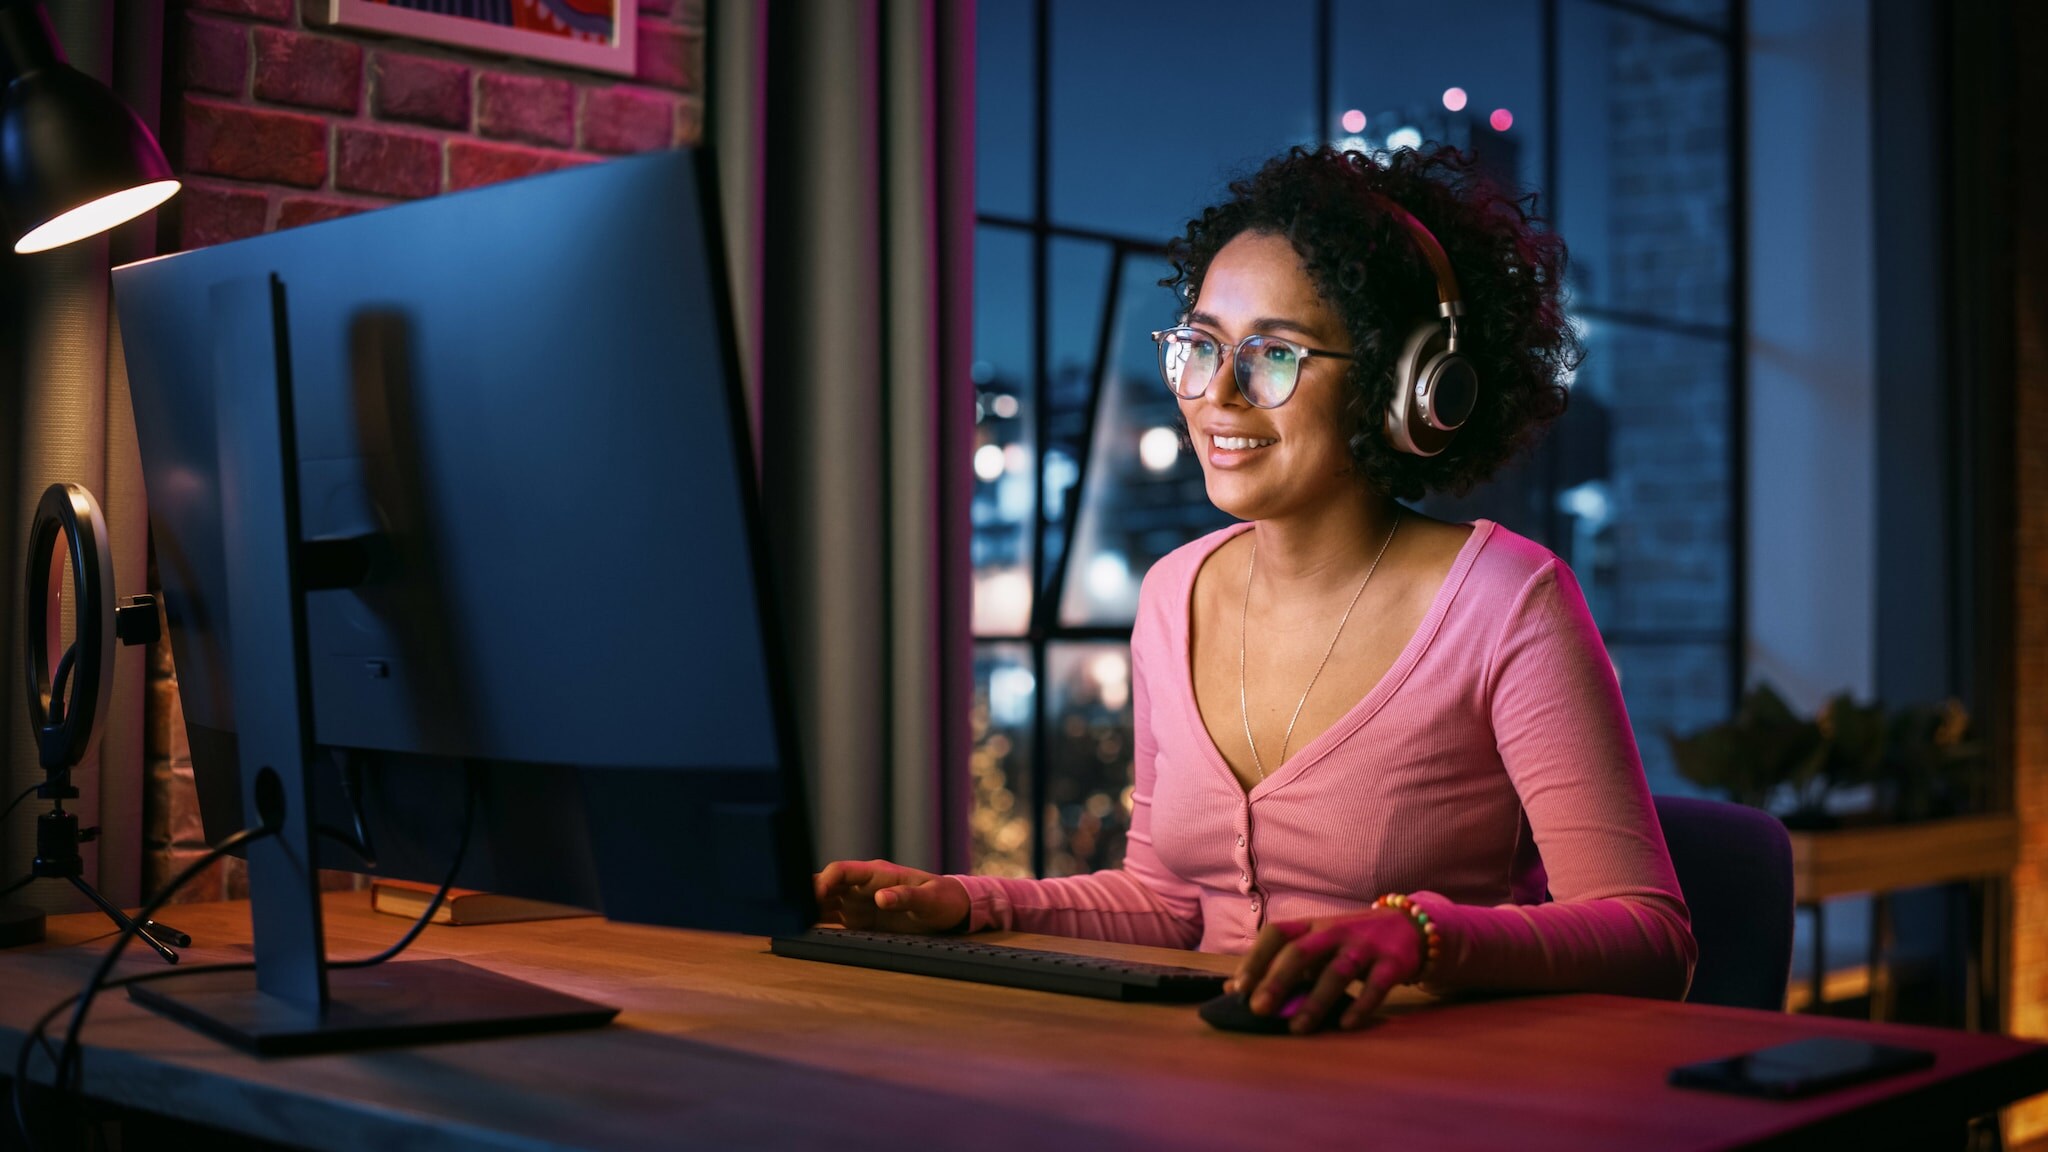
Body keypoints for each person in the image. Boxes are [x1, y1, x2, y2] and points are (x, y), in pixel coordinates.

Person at [815, 144, 1696, 1033]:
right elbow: (1167, 903)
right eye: (1200, 346)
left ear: (1404, 386)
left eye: (1274, 354)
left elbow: (1652, 938)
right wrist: (966, 905)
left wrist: (1419, 937)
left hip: (1428, 1088)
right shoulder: (1172, 594)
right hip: (1203, 1079)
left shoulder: (1510, 602)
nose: (1218, 396)